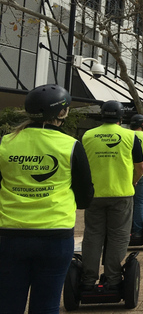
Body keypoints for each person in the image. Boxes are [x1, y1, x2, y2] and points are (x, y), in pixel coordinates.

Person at [0, 84, 94, 314]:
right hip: (55, 234)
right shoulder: (71, 146)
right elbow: (85, 197)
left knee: (8, 303)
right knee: (47, 304)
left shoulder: (5, 143)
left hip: (9, 233)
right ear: (62, 113)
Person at [80, 101, 143, 292]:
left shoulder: (87, 136)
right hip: (121, 194)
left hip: (95, 194)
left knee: (92, 236)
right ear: (121, 117)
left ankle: (88, 279)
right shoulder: (130, 136)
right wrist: (132, 181)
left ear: (101, 115)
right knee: (118, 236)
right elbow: (140, 166)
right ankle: (113, 278)